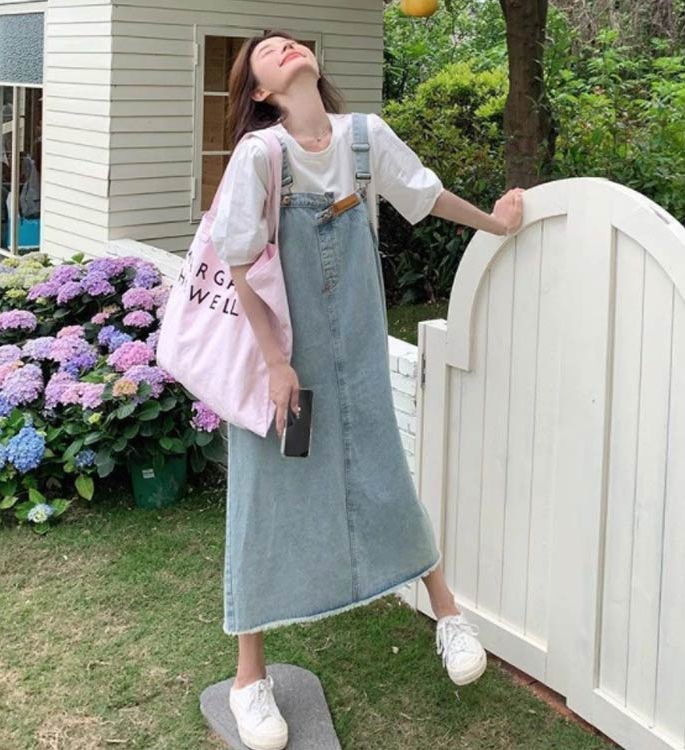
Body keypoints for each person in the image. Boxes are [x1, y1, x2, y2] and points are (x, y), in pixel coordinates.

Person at [211, 29, 524, 750]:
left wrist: (496, 224)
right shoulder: (261, 155)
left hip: (354, 351)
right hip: (281, 365)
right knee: (264, 497)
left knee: (383, 472)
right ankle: (248, 680)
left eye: (290, 41)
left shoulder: (363, 137)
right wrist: (277, 363)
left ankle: (448, 615)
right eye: (268, 51)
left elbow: (425, 195)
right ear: (261, 91)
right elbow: (238, 264)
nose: (285, 47)